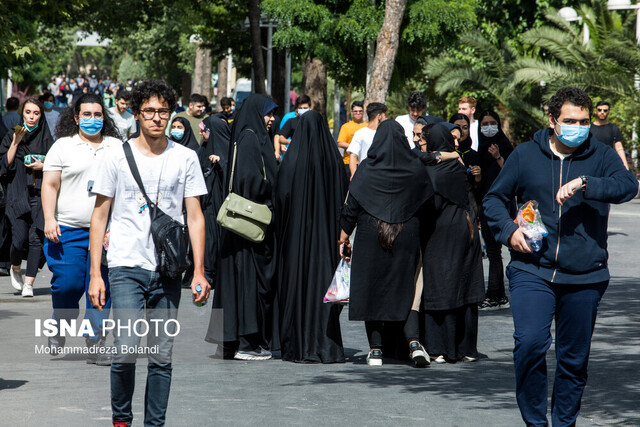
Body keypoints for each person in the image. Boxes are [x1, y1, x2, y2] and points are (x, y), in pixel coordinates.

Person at [483, 86, 638, 426]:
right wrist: (510, 231)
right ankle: (535, 422)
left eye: (583, 122)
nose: (578, 127)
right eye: (570, 120)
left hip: (586, 275)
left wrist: (587, 182)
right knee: (530, 344)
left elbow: (628, 185)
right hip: (532, 269)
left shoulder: (599, 155)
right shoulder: (525, 155)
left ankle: (564, 423)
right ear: (552, 120)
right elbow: (493, 199)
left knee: (573, 360)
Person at [88, 79, 210, 427]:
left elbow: (195, 216)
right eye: (149, 112)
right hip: (126, 264)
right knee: (125, 348)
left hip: (168, 269)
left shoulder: (186, 157)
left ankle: (154, 424)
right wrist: (96, 274)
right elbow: (100, 215)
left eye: (163, 111)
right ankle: (121, 420)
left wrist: (199, 270)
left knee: (160, 354)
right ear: (138, 114)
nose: (157, 118)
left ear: (171, 114)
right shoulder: (115, 155)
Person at [339, 120, 433, 367]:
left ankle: (376, 349)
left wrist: (343, 236)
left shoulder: (367, 168)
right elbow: (427, 204)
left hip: (371, 233)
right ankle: (413, 342)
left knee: (373, 287)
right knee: (408, 286)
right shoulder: (414, 167)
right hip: (407, 233)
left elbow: (351, 207)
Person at [41, 93, 121, 362]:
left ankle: (95, 339)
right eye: (86, 115)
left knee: (101, 288)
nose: (92, 119)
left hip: (107, 232)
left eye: (97, 115)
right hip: (68, 230)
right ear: (76, 118)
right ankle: (59, 323)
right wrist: (49, 219)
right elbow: (50, 185)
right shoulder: (63, 147)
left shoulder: (116, 146)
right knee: (67, 284)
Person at [209, 94, 279, 361]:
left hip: (238, 228)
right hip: (249, 226)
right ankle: (247, 344)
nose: (271, 119)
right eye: (268, 114)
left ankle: (231, 342)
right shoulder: (251, 138)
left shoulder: (244, 135)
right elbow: (251, 180)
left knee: (237, 283)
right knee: (249, 283)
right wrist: (273, 186)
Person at [275, 110, 348, 363]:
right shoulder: (335, 163)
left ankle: (297, 345)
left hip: (295, 240)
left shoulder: (292, 161)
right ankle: (325, 345)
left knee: (297, 285)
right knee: (323, 287)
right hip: (326, 240)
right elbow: (344, 201)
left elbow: (281, 198)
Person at [419, 124, 485, 364]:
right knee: (464, 284)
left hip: (441, 233)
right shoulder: (456, 166)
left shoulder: (434, 171)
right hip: (464, 231)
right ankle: (465, 347)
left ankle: (439, 347)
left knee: (441, 284)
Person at [0, 99, 54, 297]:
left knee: (35, 239)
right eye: (28, 112)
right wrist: (15, 141)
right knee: (18, 239)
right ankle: (15, 266)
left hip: (40, 194)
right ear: (23, 113)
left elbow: (57, 165)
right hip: (17, 193)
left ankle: (29, 283)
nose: (32, 117)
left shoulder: (47, 138)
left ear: (41, 115)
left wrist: (44, 165)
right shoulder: (12, 134)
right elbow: (4, 165)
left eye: (36, 113)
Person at [476, 110, 514, 310]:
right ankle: (497, 294)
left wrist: (498, 156)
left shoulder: (505, 146)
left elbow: (512, 170)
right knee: (492, 250)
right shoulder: (480, 147)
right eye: (484, 123)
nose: (488, 127)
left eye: (492, 123)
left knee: (504, 248)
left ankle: (497, 293)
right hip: (485, 202)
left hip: (504, 203)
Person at [198, 115, 230, 286]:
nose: (201, 132)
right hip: (207, 203)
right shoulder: (203, 148)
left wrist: (221, 163)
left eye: (204, 129)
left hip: (220, 203)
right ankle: (208, 270)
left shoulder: (226, 151)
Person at [450, 113, 482, 215]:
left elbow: (477, 188)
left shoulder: (474, 155)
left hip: (468, 204)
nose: (462, 131)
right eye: (457, 127)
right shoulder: (446, 152)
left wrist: (478, 177)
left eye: (465, 127)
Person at [347, 102, 387, 178]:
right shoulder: (360, 133)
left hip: (382, 176)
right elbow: (353, 156)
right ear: (379, 116)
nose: (386, 118)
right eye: (384, 115)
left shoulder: (385, 133)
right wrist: (354, 175)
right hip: (365, 176)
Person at [590, 100, 629, 169]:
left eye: (605, 110)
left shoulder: (613, 127)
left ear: (608, 112)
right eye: (599, 110)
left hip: (608, 162)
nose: (602, 112)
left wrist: (625, 164)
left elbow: (619, 147)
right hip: (591, 161)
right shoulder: (589, 127)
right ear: (596, 111)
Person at [275, 94, 311, 159]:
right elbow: (280, 138)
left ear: (310, 108)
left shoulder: (315, 121)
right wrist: (290, 141)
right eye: (300, 108)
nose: (302, 110)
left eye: (305, 108)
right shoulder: (291, 121)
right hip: (296, 156)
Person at [337, 101, 367, 172]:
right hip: (348, 162)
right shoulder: (346, 127)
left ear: (363, 112)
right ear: (352, 112)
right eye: (355, 111)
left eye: (360, 111)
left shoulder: (367, 126)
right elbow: (340, 143)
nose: (358, 113)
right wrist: (355, 146)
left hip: (364, 163)